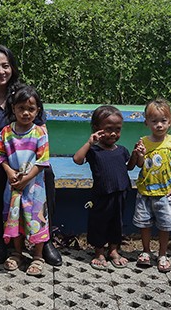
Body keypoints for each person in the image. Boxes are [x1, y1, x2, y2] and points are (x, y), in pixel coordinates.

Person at [0, 44, 61, 266]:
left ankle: (44, 238)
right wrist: (4, 160)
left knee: (47, 174)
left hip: (28, 159)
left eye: (5, 66)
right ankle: (2, 236)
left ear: (12, 68)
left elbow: (41, 131)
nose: (1, 71)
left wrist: (29, 166)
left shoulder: (23, 95)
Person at [0, 85, 51, 276]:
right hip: (13, 185)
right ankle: (17, 253)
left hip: (34, 187)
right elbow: (1, 156)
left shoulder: (40, 133)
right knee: (14, 217)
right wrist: (9, 172)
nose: (26, 113)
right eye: (21, 108)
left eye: (31, 109)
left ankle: (38, 256)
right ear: (13, 108)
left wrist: (26, 179)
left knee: (36, 219)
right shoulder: (5, 132)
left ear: (37, 110)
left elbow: (43, 161)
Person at [72, 105, 135, 270]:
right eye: (108, 129)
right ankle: (99, 252)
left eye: (117, 129)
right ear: (96, 129)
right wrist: (89, 142)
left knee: (117, 222)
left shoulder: (122, 150)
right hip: (101, 194)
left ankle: (113, 250)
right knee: (99, 222)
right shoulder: (93, 150)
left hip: (120, 192)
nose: (113, 133)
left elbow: (130, 167)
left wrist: (137, 154)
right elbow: (77, 159)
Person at [131, 98, 171, 273]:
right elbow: (139, 164)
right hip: (145, 191)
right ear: (146, 122)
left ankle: (163, 254)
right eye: (154, 121)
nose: (159, 125)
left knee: (165, 225)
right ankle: (146, 251)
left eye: (163, 120)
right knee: (144, 224)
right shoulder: (143, 142)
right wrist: (139, 154)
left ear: (170, 122)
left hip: (165, 193)